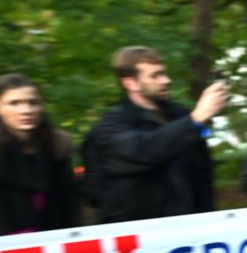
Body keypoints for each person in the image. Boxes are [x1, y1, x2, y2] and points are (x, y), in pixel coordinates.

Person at [89, 46, 228, 223]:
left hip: (191, 226)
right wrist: (196, 118)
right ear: (130, 83)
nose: (166, 80)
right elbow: (144, 149)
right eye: (155, 76)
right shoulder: (111, 125)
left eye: (164, 73)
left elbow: (202, 172)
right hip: (142, 236)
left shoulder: (180, 115)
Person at [0, 74, 77, 236]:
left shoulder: (58, 146)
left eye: (33, 103)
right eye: (14, 103)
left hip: (51, 245)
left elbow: (71, 206)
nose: (26, 110)